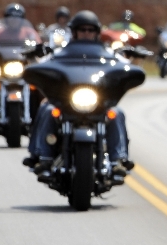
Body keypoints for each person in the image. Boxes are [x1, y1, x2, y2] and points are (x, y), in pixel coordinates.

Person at [23, 10, 133, 177]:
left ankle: (118, 160)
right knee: (46, 109)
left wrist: (134, 60)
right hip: (66, 100)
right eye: (82, 30)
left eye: (90, 30)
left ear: (96, 33)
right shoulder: (60, 52)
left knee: (116, 113)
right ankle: (42, 156)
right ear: (74, 32)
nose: (86, 33)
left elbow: (125, 65)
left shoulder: (107, 53)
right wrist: (33, 59)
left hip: (97, 102)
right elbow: (44, 64)